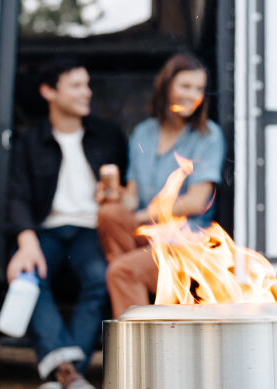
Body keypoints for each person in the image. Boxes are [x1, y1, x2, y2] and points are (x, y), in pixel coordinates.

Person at [7, 58, 127, 389]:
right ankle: (69, 373)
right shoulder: (29, 142)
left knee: (99, 279)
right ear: (48, 91)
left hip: (91, 230)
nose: (86, 92)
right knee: (29, 277)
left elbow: (127, 188)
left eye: (87, 84)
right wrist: (26, 242)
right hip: (47, 229)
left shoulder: (108, 135)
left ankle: (60, 372)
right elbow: (16, 196)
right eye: (75, 85)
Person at [97, 53, 226, 319]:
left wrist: (140, 216)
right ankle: (146, 295)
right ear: (166, 86)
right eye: (185, 86)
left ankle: (138, 331)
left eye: (199, 89)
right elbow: (132, 197)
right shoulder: (144, 132)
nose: (193, 95)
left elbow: (195, 202)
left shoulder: (208, 135)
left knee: (120, 270)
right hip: (145, 236)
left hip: (183, 240)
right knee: (108, 213)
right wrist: (115, 195)